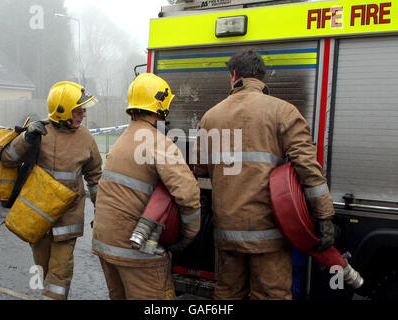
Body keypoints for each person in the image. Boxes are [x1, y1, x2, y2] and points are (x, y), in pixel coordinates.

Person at [194, 50, 335, 300]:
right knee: (271, 295)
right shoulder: (285, 112)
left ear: (234, 75)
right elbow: (308, 169)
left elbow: (200, 168)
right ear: (262, 77)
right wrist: (323, 216)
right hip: (270, 233)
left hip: (227, 232)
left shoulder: (210, 117)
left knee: (227, 294)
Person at [92, 73, 201, 300]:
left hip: (105, 245)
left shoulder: (124, 139)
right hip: (137, 252)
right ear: (161, 107)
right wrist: (186, 238)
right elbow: (188, 195)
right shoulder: (158, 143)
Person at [1, 81, 102, 300]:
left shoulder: (86, 138)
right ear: (62, 110)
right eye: (79, 110)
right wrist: (26, 139)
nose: (83, 114)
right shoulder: (39, 131)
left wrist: (101, 212)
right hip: (38, 220)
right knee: (43, 268)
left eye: (84, 110)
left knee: (60, 273)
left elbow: (95, 177)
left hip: (68, 222)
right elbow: (8, 159)